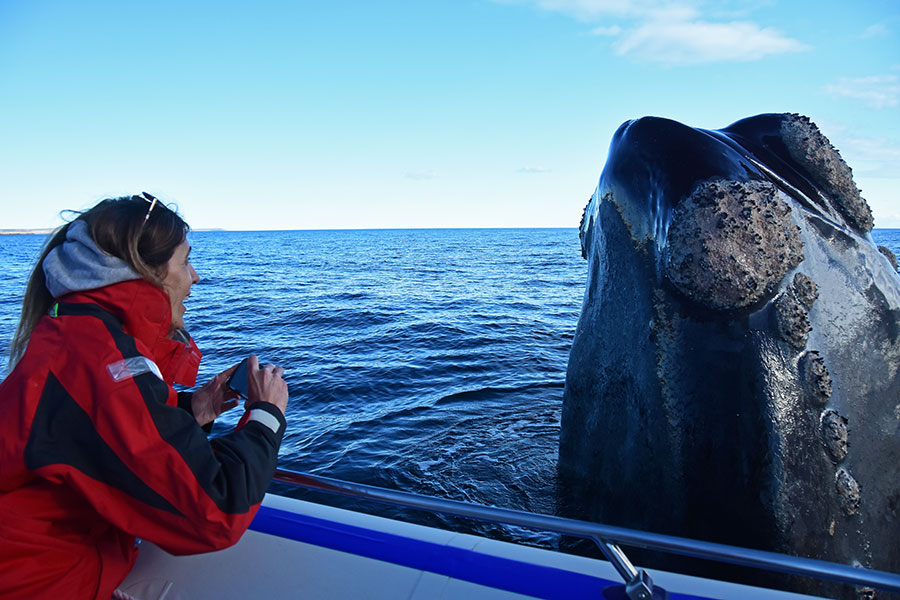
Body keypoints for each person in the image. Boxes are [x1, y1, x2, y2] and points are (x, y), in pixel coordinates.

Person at [0, 193, 290, 599]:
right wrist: (266, 416)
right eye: (185, 261)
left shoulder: (76, 334)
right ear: (147, 272)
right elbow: (217, 512)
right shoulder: (102, 365)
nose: (195, 276)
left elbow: (103, 435)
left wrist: (196, 408)